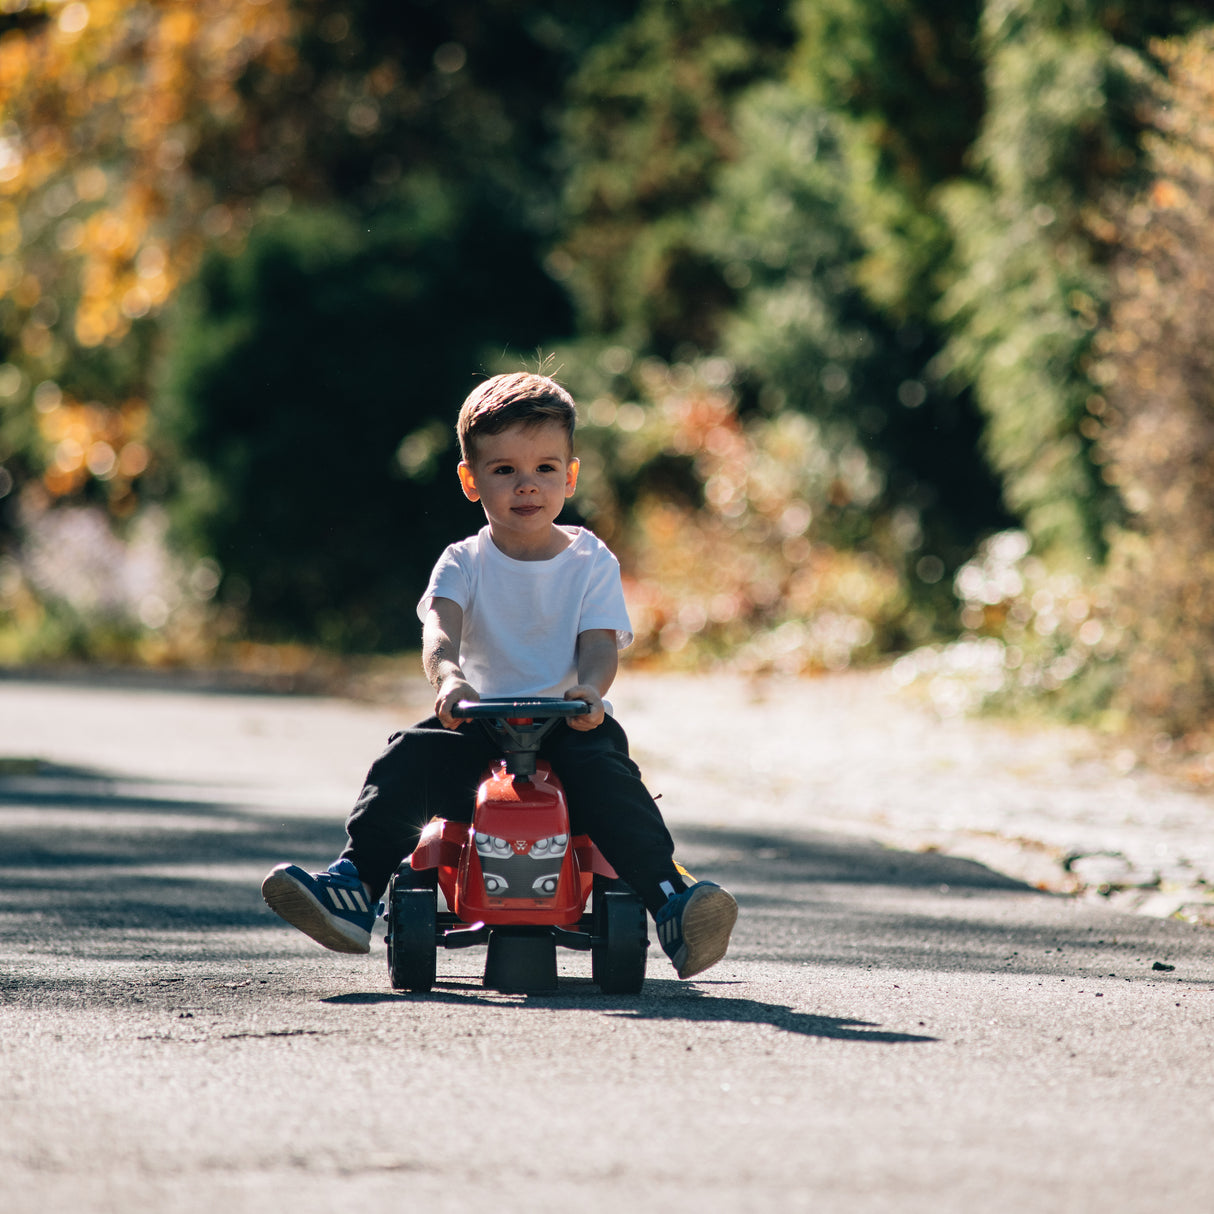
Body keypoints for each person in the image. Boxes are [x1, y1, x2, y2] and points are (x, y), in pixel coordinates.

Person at [261, 371, 738, 980]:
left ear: (570, 475)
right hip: (479, 728)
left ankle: (673, 901)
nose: (526, 486)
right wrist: (450, 680)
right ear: (470, 479)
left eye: (544, 468)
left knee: (617, 791)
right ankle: (353, 885)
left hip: (571, 729)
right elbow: (439, 631)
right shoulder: (462, 563)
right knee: (405, 757)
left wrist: (590, 689)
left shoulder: (591, 561)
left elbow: (599, 645)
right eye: (504, 469)